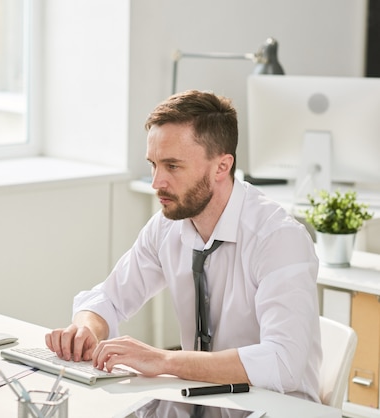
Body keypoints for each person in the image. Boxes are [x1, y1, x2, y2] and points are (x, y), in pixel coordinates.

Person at [45, 90, 322, 402]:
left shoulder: (278, 239)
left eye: (172, 166)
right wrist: (86, 329)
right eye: (153, 164)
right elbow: (107, 298)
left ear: (221, 166)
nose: (156, 182)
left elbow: (283, 364)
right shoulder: (168, 226)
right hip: (203, 402)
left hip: (278, 406)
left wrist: (163, 360)